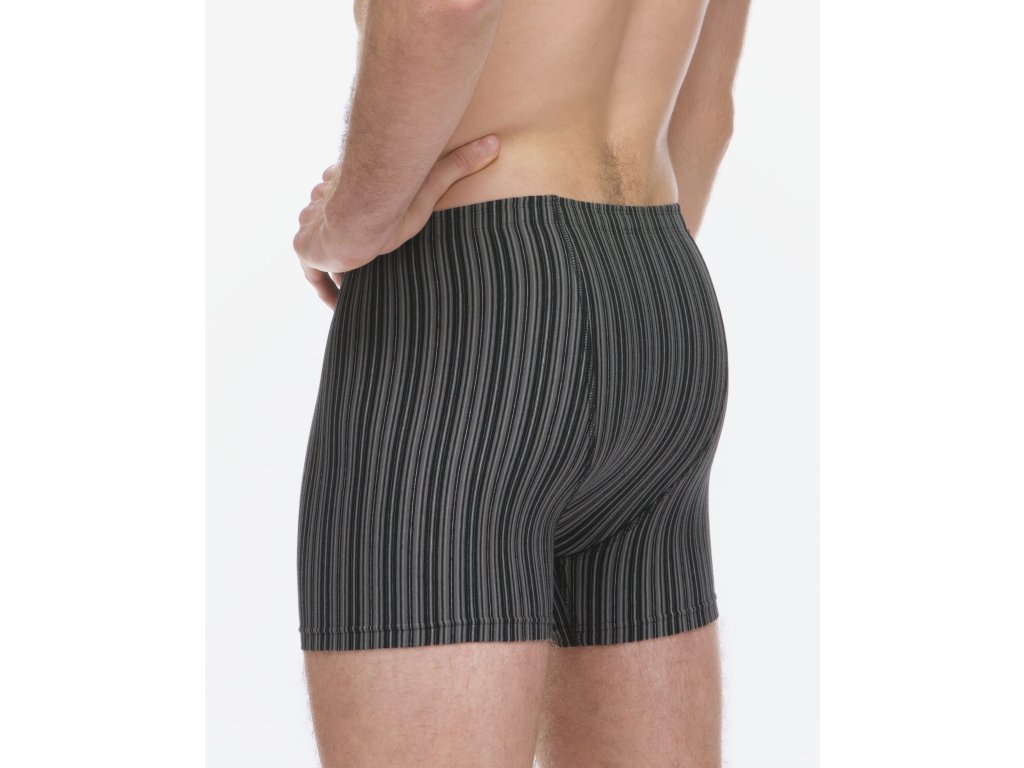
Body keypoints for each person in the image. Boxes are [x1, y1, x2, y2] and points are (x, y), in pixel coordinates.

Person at [291, 0, 750, 765]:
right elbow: (708, 112)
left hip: (471, 302)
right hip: (658, 292)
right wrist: (606, 300)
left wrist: (350, 222)